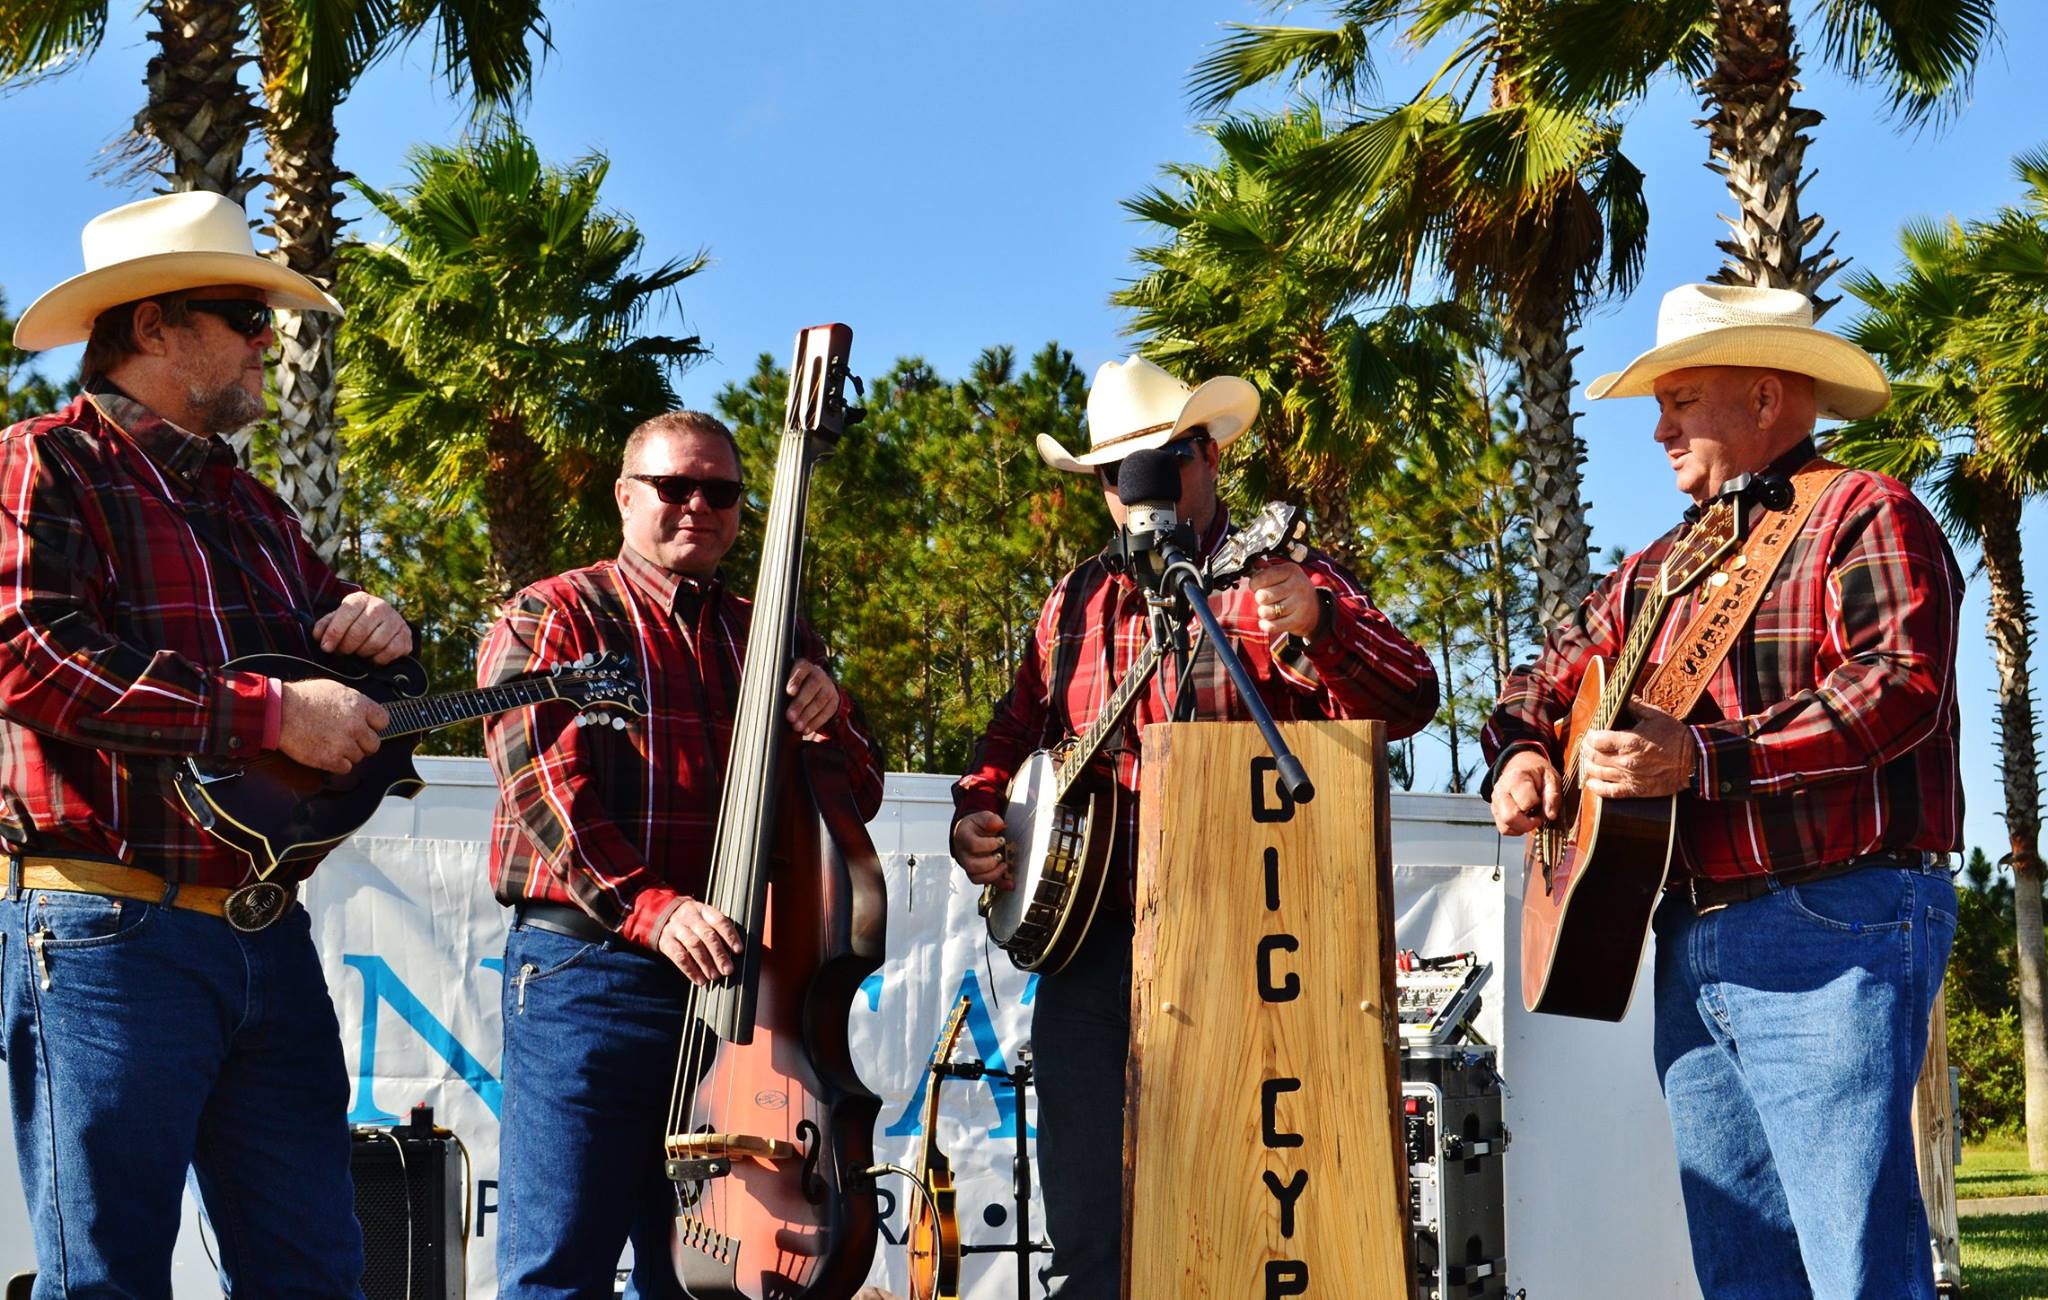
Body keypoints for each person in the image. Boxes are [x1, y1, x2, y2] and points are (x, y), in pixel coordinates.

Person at [1483, 283, 1962, 1300]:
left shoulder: (1861, 507)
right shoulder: (1663, 563)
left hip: (1831, 917)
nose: (1656, 429)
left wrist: (1702, 759)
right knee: (1743, 1274)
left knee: (1854, 1270)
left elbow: (1896, 686)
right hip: (1689, 935)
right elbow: (1543, 676)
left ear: (1760, 395)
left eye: (1679, 399)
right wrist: (1520, 754)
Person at [948, 356, 1439, 1297]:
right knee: (1093, 1232)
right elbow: (1008, 738)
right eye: (1113, 475)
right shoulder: (1075, 603)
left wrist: (1320, 622)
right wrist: (980, 813)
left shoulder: (1274, 577)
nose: (1134, 493)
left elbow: (1410, 693)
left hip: (1254, 941)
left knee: (1248, 1218)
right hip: (1095, 948)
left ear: (1209, 456)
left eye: (1160, 464)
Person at [0, 191, 412, 1296]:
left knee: (315, 1273)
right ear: (152, 329)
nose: (268, 342)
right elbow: (27, 655)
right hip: (105, 926)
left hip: (262, 934)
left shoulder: (257, 509)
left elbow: (354, 677)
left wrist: (381, 629)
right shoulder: (46, 460)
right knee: (108, 1278)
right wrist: (273, 714)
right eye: (243, 314)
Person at [478, 409, 884, 1300]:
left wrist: (833, 722)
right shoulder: (556, 612)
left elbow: (852, 803)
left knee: (705, 1278)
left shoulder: (773, 633)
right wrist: (655, 911)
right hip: (590, 968)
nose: (700, 504)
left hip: (742, 990)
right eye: (675, 486)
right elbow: (543, 789)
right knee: (560, 1268)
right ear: (625, 496)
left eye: (723, 491)